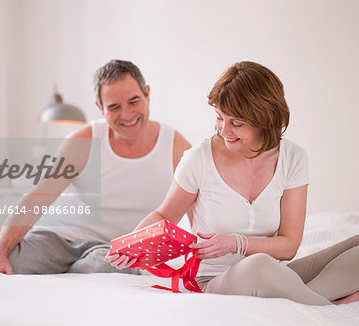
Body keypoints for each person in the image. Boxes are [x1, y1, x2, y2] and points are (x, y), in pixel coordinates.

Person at [106, 61, 359, 305]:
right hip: (215, 279)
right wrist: (130, 244)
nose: (223, 130)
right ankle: (325, 305)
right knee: (259, 265)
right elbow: (165, 214)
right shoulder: (198, 159)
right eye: (219, 118)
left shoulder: (292, 158)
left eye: (236, 123)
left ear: (265, 120)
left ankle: (304, 294)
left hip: (276, 273)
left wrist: (235, 243)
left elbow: (289, 245)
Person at [0, 59, 192, 274]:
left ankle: (67, 274)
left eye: (133, 101)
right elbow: (36, 197)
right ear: (100, 108)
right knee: (4, 261)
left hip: (114, 250)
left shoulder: (175, 147)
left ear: (147, 94)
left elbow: (200, 210)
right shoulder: (84, 141)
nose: (126, 114)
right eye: (114, 107)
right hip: (60, 239)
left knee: (101, 269)